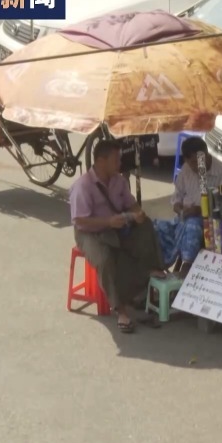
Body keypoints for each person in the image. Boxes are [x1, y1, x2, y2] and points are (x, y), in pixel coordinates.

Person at [70, 139, 165, 333]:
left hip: (116, 226)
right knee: (105, 259)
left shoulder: (118, 181)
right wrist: (108, 222)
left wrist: (137, 214)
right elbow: (80, 221)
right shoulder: (83, 186)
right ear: (101, 161)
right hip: (90, 231)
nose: (120, 164)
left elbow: (130, 203)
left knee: (146, 226)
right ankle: (120, 309)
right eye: (116, 160)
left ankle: (148, 275)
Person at [153, 137, 222, 274]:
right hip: (183, 218)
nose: (195, 167)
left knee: (193, 225)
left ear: (206, 155)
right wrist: (178, 206)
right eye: (191, 163)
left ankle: (187, 266)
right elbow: (177, 195)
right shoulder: (186, 169)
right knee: (156, 226)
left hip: (209, 222)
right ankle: (158, 265)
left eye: (197, 162)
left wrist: (201, 210)